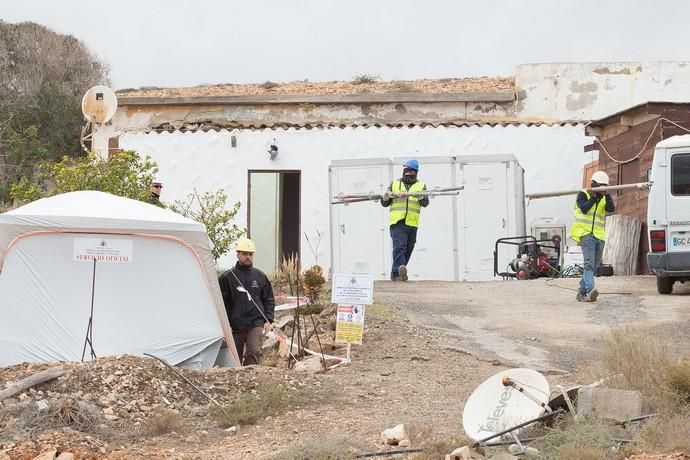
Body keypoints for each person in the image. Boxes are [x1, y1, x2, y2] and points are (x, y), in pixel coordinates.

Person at [218, 238, 275, 365]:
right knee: (233, 359)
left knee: (254, 350)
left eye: (250, 254)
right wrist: (222, 324)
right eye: (244, 254)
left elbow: (269, 299)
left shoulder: (260, 276)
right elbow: (220, 302)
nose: (247, 257)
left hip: (255, 323)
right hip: (234, 325)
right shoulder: (226, 277)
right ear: (237, 254)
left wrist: (268, 319)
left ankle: (251, 378)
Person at [569, 170, 615, 302]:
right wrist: (593, 197)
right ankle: (590, 290)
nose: (602, 188)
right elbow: (584, 208)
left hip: (599, 235)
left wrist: (607, 196)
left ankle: (581, 292)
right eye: (600, 185)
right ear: (593, 184)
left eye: (604, 186)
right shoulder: (583, 194)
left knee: (594, 266)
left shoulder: (604, 197)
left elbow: (611, 209)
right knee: (589, 264)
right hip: (585, 233)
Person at [380, 158, 429, 281]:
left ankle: (396, 274)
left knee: (408, 249)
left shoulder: (421, 186)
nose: (408, 174)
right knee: (399, 247)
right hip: (397, 222)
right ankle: (399, 270)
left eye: (411, 172)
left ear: (415, 172)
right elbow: (385, 203)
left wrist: (418, 195)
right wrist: (385, 198)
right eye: (406, 171)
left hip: (412, 223)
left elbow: (425, 203)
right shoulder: (395, 184)